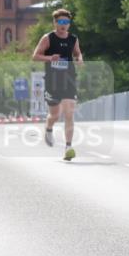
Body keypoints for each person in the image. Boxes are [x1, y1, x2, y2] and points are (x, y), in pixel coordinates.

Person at [31, 8, 83, 160]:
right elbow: (35, 56)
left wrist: (79, 58)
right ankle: (48, 128)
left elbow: (77, 52)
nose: (63, 25)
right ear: (55, 23)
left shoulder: (73, 38)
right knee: (55, 114)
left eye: (66, 22)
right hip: (53, 81)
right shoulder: (48, 38)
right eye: (60, 22)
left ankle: (68, 147)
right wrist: (49, 58)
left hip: (69, 79)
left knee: (69, 113)